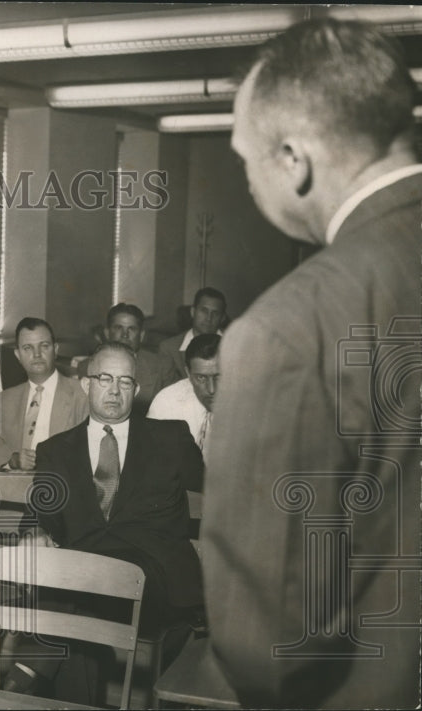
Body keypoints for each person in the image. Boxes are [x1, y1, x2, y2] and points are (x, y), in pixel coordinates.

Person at [205, 18, 421, 709]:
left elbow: (269, 641)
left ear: (293, 160)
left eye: (245, 160)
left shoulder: (286, 328)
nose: (247, 180)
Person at [3, 342, 203, 702]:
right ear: (86, 385)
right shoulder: (56, 450)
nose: (114, 390)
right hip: (86, 585)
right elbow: (39, 514)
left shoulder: (170, 438)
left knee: (71, 588)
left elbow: (215, 497)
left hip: (154, 580)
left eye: (125, 382)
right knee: (79, 598)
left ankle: (23, 674)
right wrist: (36, 532)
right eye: (105, 379)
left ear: (137, 391)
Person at [0, 317, 89, 470]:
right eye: (28, 348)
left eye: (44, 346)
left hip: (65, 485)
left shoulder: (82, 394)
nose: (37, 354)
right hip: (15, 488)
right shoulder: (6, 400)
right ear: (18, 355)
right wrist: (12, 459)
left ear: (56, 349)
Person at [77, 303, 178, 413]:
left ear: (142, 335)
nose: (125, 334)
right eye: (118, 328)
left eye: (132, 329)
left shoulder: (162, 366)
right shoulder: (86, 367)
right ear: (107, 333)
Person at [147, 333, 220, 464]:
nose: (211, 389)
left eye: (218, 377)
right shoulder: (166, 403)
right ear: (188, 374)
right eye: (201, 378)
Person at [158, 287, 226, 379]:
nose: (209, 318)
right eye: (204, 311)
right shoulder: (169, 348)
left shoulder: (234, 345)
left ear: (222, 318)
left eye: (215, 313)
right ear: (193, 312)